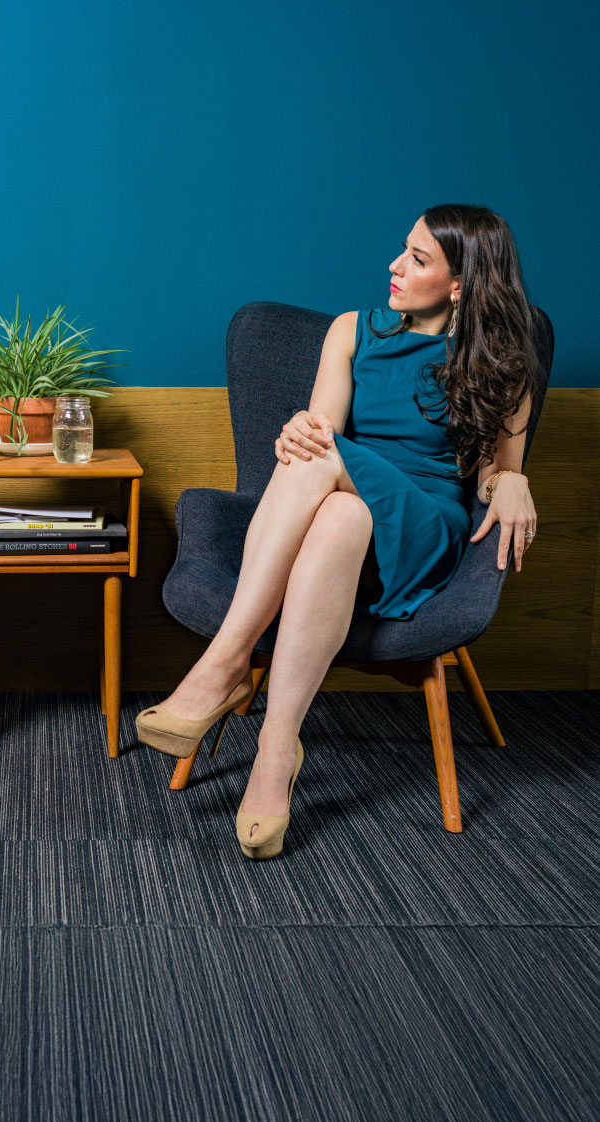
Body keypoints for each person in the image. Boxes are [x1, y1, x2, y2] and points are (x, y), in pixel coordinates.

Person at [135, 204, 540, 859]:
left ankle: (225, 660)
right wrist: (297, 429)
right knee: (337, 499)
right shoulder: (352, 331)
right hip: (350, 512)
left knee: (325, 459)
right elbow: (317, 432)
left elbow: (496, 473)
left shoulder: (503, 361)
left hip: (426, 521)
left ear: (460, 283)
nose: (394, 265)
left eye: (416, 257)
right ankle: (276, 753)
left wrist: (511, 480)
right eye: (401, 249)